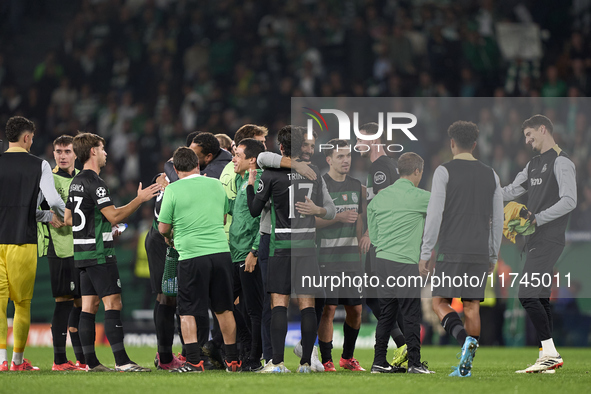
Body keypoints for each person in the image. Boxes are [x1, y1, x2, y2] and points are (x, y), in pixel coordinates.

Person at [64, 132, 160, 372]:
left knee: (89, 307)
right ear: (93, 151)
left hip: (82, 253)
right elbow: (114, 214)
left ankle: (91, 364)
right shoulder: (95, 182)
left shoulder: (76, 181)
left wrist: (105, 228)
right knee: (113, 303)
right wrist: (139, 199)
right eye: (102, 148)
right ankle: (123, 362)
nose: (106, 152)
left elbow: (68, 218)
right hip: (99, 254)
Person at [419, 121, 503, 377]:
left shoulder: (444, 172)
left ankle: (464, 340)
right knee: (471, 306)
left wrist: (425, 252)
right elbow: (498, 220)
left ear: (452, 143)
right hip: (479, 250)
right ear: (475, 145)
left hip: (451, 249)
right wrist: (492, 253)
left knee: (439, 303)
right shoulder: (492, 174)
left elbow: (434, 215)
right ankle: (467, 365)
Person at [247, 126, 334, 373]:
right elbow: (331, 210)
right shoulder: (314, 173)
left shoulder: (271, 175)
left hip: (281, 246)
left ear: (282, 148)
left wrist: (250, 187)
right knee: (307, 304)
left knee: (279, 304)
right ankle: (306, 362)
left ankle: (277, 363)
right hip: (307, 246)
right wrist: (317, 210)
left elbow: (254, 211)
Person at [502, 115, 576, 373]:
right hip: (534, 239)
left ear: (543, 130)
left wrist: (538, 218)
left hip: (549, 238)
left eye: (529, 134)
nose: (526, 140)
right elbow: (511, 191)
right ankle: (547, 357)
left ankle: (551, 353)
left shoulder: (562, 162)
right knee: (541, 297)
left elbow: (570, 201)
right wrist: (482, 191)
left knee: (526, 293)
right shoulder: (533, 164)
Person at [158, 147, 241, 373]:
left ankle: (194, 361)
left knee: (188, 311)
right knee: (224, 310)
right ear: (198, 164)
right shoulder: (215, 184)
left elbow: (163, 227)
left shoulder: (173, 189)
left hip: (192, 257)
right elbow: (223, 216)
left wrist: (171, 237)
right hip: (221, 255)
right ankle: (233, 359)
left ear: (175, 169)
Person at [0, 116, 65, 371]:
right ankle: (17, 361)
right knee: (21, 305)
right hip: (23, 242)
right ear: (27, 137)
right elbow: (53, 200)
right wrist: (61, 213)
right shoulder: (39, 165)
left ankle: (1, 361)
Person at [368, 152, 434, 374]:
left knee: (386, 313)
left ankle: (379, 361)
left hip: (382, 262)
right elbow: (443, 210)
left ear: (398, 171)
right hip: (404, 262)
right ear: (417, 171)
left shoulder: (379, 197)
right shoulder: (421, 197)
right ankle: (415, 363)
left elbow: (374, 235)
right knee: (411, 314)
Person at [356, 122, 407, 366]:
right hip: (390, 240)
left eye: (361, 139)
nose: (357, 145)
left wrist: (368, 232)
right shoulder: (387, 166)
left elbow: (383, 205)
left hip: (381, 241)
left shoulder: (380, 166)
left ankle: (403, 345)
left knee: (379, 296)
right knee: (375, 296)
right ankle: (404, 344)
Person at [315, 139, 365, 372]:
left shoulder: (357, 185)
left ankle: (347, 357)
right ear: (329, 160)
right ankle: (327, 360)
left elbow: (361, 220)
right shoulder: (320, 185)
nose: (346, 160)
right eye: (340, 156)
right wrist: (337, 217)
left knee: (356, 309)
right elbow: (311, 221)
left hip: (352, 260)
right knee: (329, 308)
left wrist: (363, 240)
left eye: (348, 156)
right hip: (327, 258)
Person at [46, 135, 86, 371]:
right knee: (63, 302)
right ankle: (59, 360)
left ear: (75, 154)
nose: (62, 156)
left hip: (83, 248)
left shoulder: (83, 178)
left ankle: (81, 359)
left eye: (67, 151)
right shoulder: (48, 179)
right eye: (58, 151)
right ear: (53, 154)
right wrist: (48, 215)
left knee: (81, 304)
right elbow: (38, 204)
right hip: (60, 250)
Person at [228, 138, 265, 371]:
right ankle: (247, 345)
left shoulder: (260, 182)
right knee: (223, 302)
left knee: (254, 309)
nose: (234, 159)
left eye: (238, 155)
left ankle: (254, 357)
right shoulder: (242, 180)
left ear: (252, 160)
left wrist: (254, 251)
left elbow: (263, 220)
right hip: (234, 253)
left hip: (248, 254)